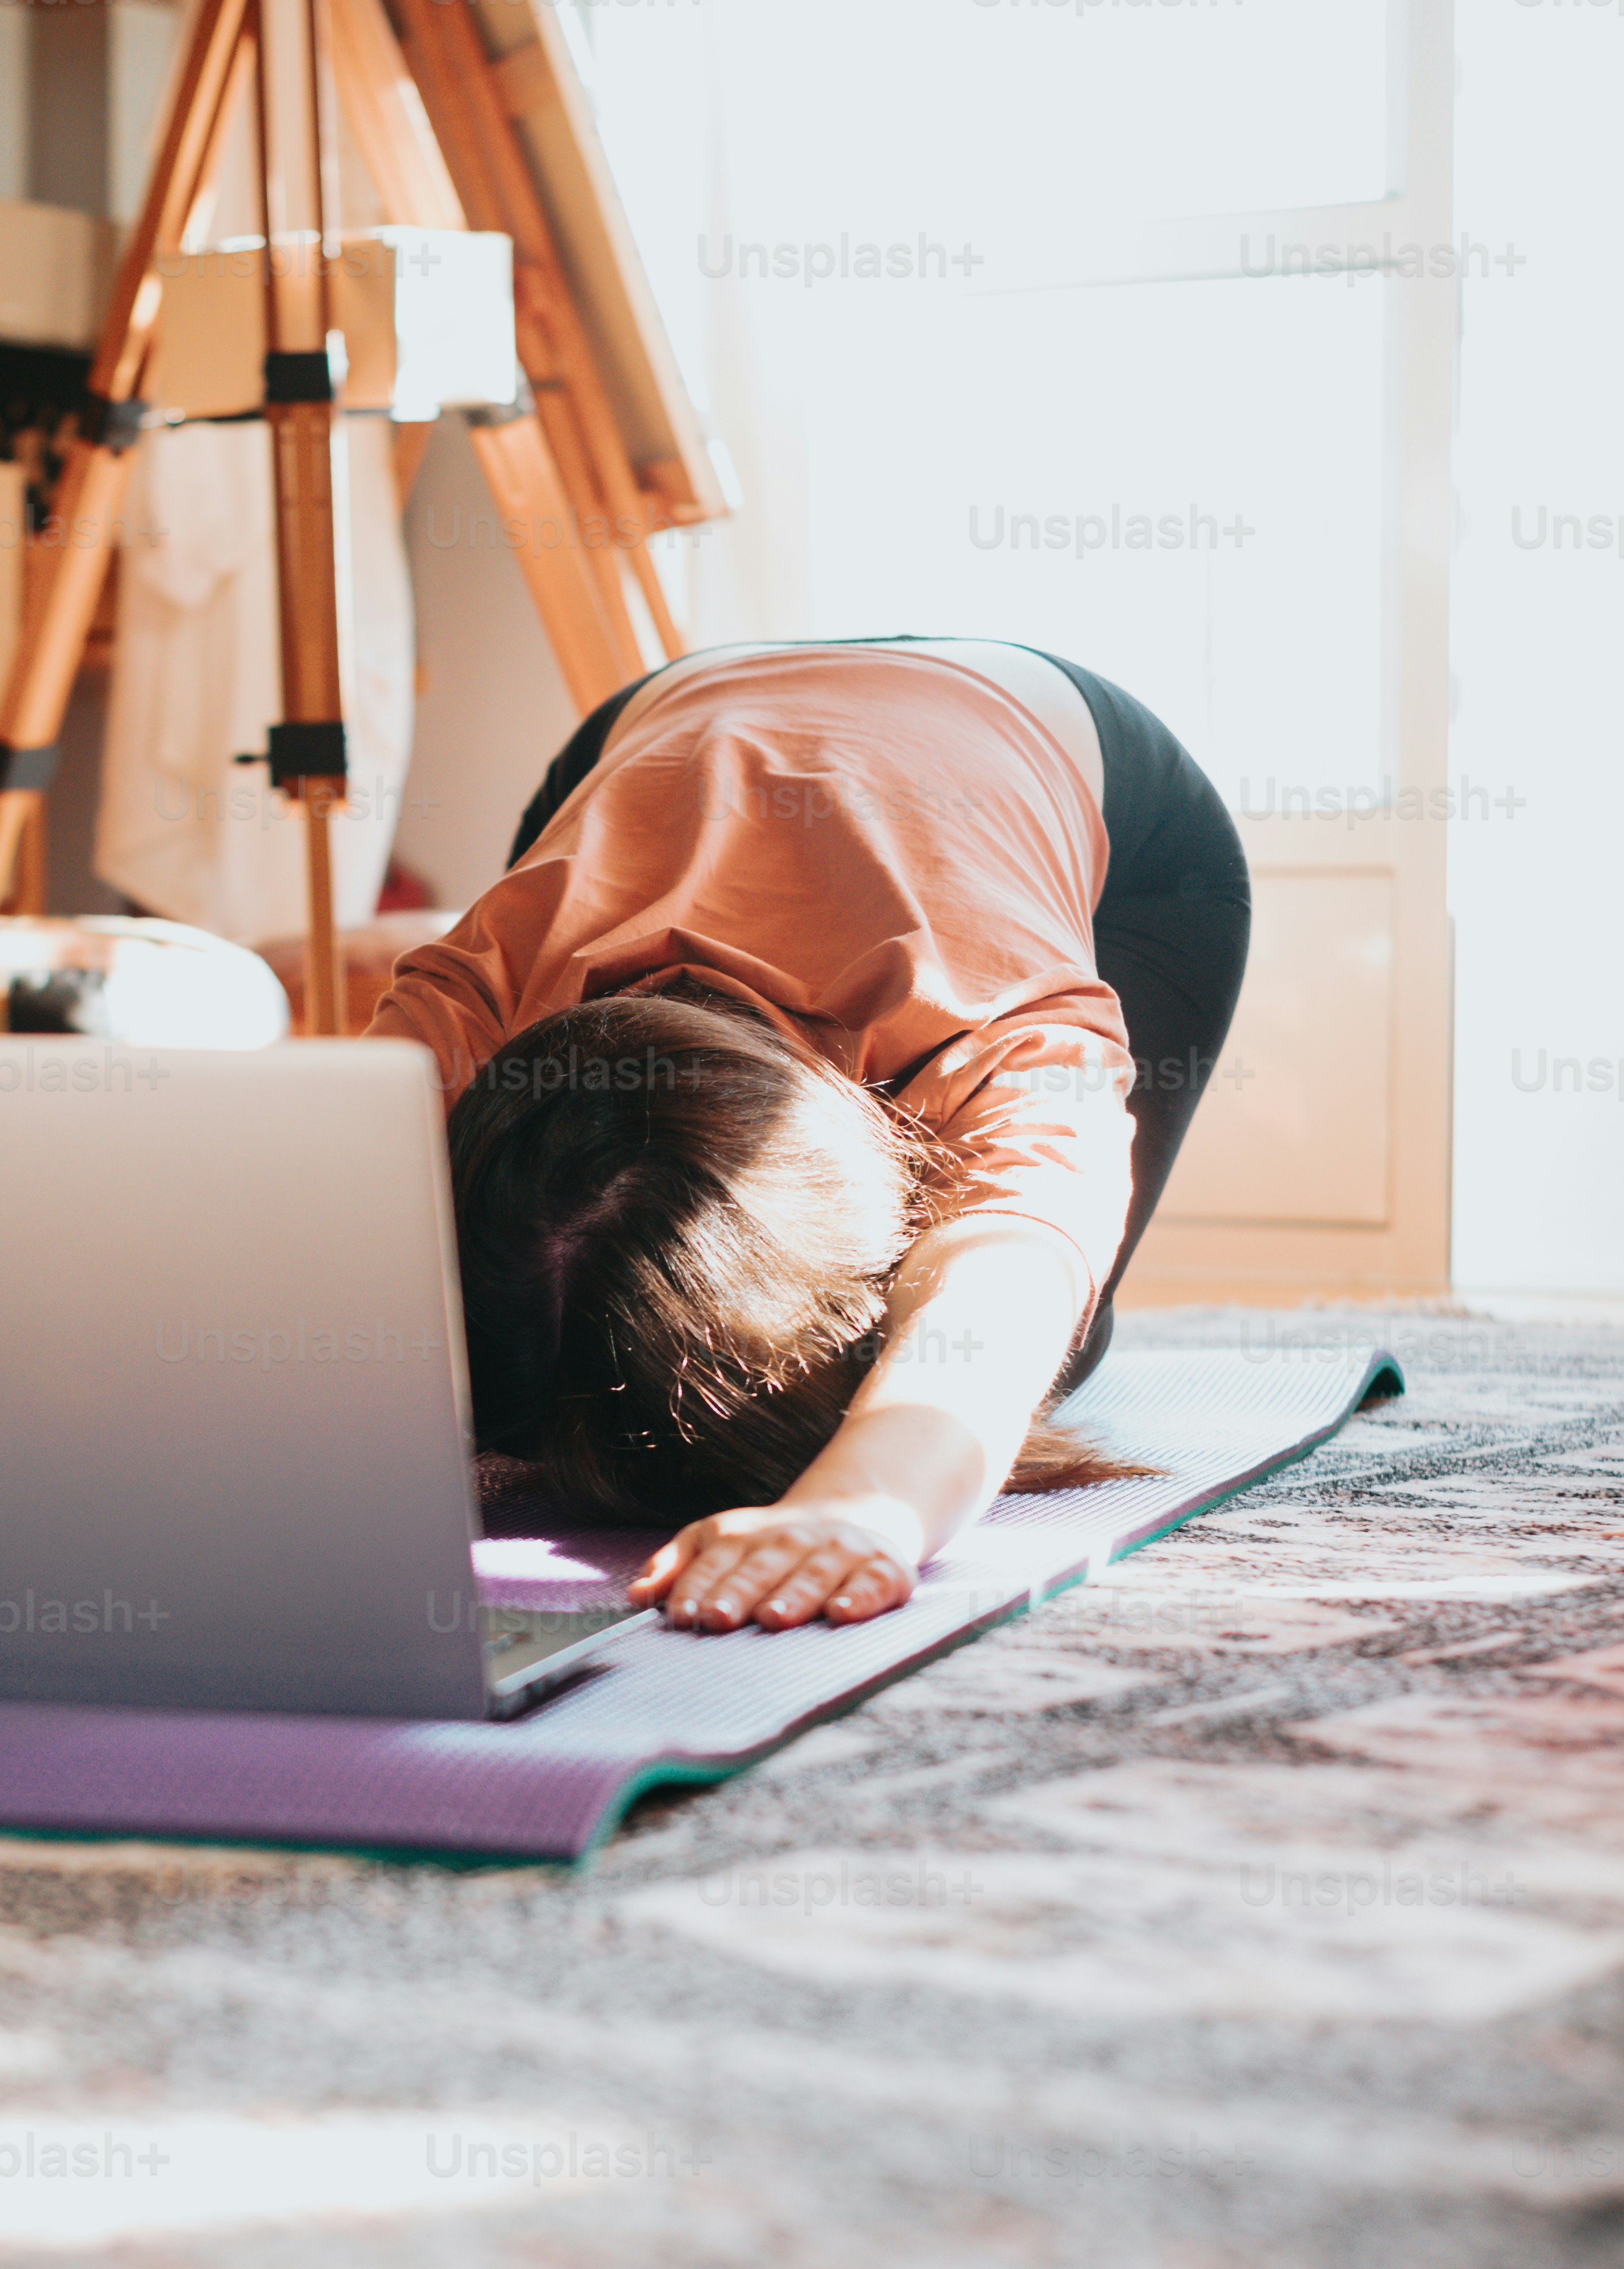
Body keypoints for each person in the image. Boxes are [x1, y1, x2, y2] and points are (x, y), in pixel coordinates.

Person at [366, 639, 1250, 1638]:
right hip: (662, 724)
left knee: (1058, 1347)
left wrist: (867, 1501)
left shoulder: (993, 1018)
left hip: (1075, 775)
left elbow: (1016, 1267)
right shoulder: (476, 992)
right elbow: (290, 1238)